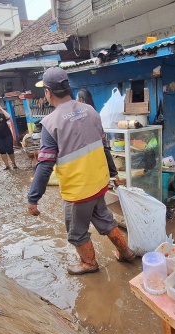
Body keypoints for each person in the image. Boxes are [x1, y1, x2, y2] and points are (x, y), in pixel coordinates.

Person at [27, 67, 134, 275]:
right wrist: (113, 174)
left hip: (78, 191)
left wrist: (33, 197)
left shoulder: (50, 124)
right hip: (98, 182)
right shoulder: (91, 111)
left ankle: (89, 263)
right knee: (104, 219)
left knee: (76, 232)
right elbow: (104, 147)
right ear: (68, 87)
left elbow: (45, 165)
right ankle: (126, 252)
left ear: (48, 92)